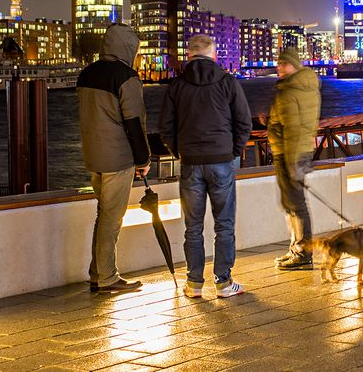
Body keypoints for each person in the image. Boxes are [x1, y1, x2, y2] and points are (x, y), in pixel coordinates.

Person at [159, 34, 252, 298]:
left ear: (188, 56)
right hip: (221, 160)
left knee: (193, 227)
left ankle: (194, 283)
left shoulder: (177, 85)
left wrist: (178, 150)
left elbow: (165, 126)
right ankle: (223, 282)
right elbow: (243, 122)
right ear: (214, 56)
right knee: (224, 224)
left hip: (190, 163)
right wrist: (232, 150)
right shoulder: (227, 82)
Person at [77, 23, 150, 294]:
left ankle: (98, 273)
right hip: (117, 158)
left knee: (102, 215)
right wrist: (143, 159)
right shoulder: (126, 77)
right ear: (127, 47)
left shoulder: (87, 73)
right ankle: (107, 277)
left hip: (93, 156)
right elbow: (133, 122)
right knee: (112, 218)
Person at [269, 47, 321, 270]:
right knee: (291, 203)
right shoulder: (303, 87)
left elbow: (292, 128)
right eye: (278, 63)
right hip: (296, 151)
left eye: (284, 63)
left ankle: (302, 252)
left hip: (289, 153)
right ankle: (296, 248)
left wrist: (291, 162)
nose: (279, 68)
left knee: (295, 204)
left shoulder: (290, 91)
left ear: (294, 64)